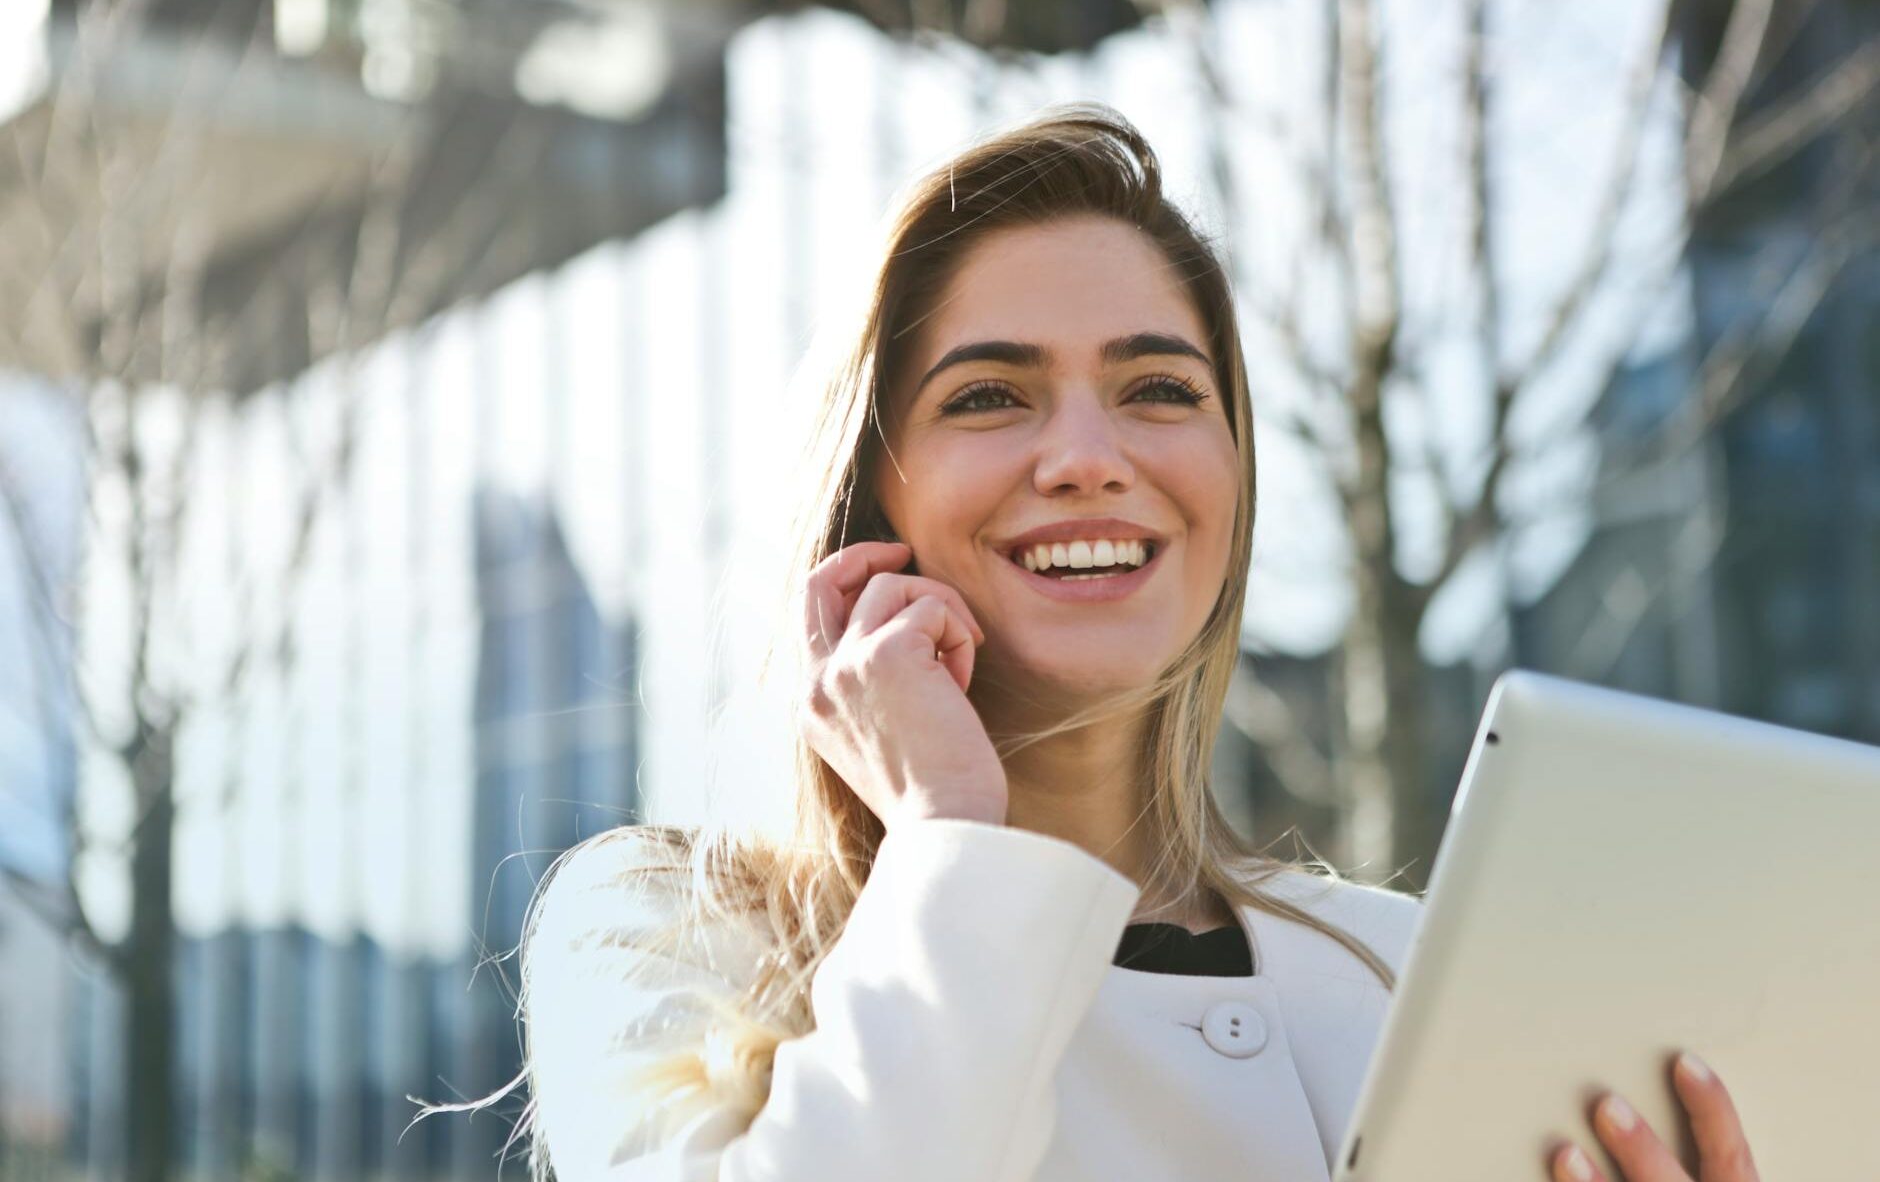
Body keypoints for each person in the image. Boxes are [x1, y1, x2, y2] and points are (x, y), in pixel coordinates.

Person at [505, 105, 1763, 1182]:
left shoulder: (1408, 974)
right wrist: (950, 834)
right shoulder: (663, 934)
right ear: (871, 496)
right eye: (988, 395)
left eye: (1158, 389)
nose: (1087, 461)